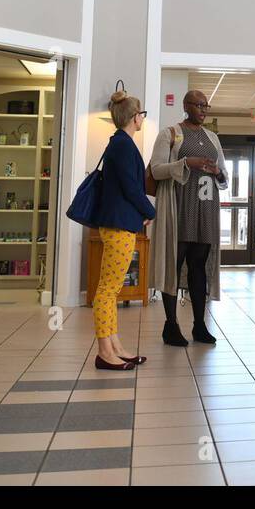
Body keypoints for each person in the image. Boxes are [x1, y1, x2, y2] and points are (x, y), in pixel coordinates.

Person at [149, 90, 229, 346]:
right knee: (174, 264)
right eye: (199, 105)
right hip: (179, 208)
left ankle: (199, 325)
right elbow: (156, 169)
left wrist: (217, 172)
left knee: (199, 268)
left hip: (205, 210)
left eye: (206, 106)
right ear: (186, 106)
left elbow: (225, 176)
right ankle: (171, 326)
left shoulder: (213, 138)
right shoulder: (169, 133)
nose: (204, 109)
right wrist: (186, 162)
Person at [92, 90, 156, 370]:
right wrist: (150, 211)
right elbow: (131, 187)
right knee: (107, 290)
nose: (143, 118)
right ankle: (105, 352)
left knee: (112, 289)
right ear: (134, 117)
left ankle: (115, 346)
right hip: (118, 224)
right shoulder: (122, 144)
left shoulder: (121, 142)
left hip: (119, 222)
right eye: (141, 114)